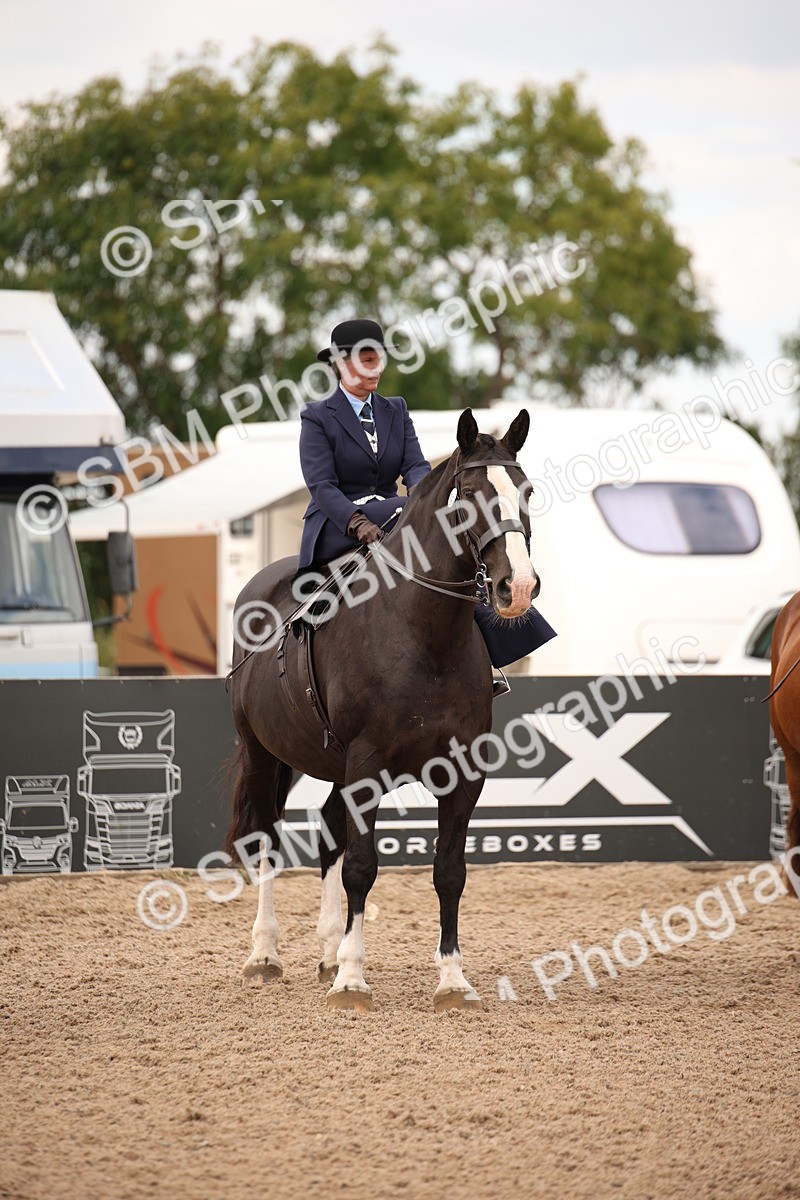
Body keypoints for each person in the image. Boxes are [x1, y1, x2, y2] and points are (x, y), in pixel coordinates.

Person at [297, 319, 555, 696]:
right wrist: (355, 522)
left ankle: (485, 662)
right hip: (338, 521)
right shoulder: (317, 417)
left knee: (455, 557)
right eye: (367, 360)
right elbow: (321, 485)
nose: (376, 368)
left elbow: (416, 466)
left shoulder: (395, 410)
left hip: (395, 511)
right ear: (340, 363)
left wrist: (426, 500)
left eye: (379, 360)